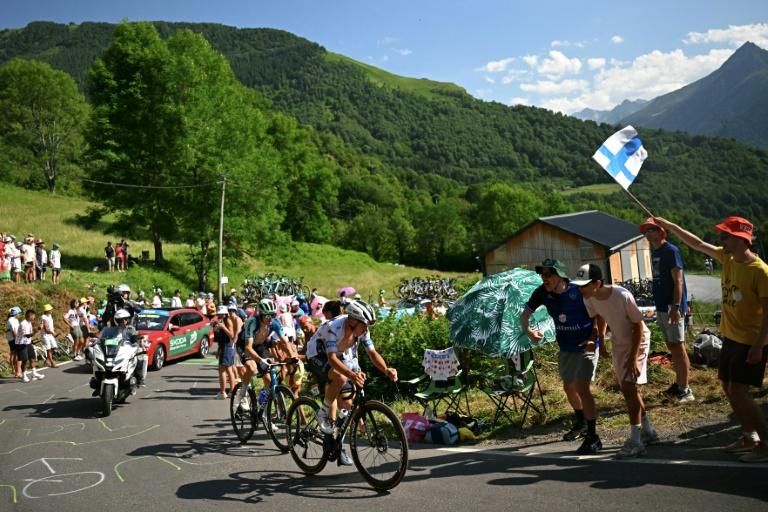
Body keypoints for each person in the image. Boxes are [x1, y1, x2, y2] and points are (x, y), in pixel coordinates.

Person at [654, 215, 768, 463]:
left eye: (725, 235)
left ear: (740, 239)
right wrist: (671, 226)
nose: (720, 239)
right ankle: (749, 437)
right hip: (730, 337)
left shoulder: (760, 271)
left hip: (750, 340)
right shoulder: (727, 257)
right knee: (729, 389)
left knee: (739, 391)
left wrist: (759, 345)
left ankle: (765, 443)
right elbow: (696, 244)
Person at [521, 259, 604, 454]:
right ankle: (581, 422)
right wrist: (529, 331)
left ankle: (593, 435)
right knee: (569, 387)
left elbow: (598, 315)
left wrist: (594, 337)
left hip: (586, 345)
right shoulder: (542, 292)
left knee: (582, 388)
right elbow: (524, 315)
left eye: (549, 274)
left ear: (560, 275)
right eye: (542, 275)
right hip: (565, 347)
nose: (545, 278)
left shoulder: (578, 290)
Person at [575, 264, 657, 459]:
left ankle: (636, 442)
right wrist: (600, 340)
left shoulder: (622, 295)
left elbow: (638, 326)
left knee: (629, 387)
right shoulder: (589, 297)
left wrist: (633, 360)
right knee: (628, 389)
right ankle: (649, 432)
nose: (580, 290)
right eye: (578, 285)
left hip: (638, 340)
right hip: (619, 343)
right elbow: (599, 316)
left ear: (597, 283)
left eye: (583, 285)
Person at [308, 300, 398, 465]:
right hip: (317, 354)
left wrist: (386, 370)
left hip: (341, 355)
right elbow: (332, 359)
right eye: (363, 325)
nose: (366, 329)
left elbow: (372, 353)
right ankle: (323, 413)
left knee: (348, 403)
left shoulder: (361, 330)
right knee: (340, 377)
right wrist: (350, 374)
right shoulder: (334, 327)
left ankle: (337, 444)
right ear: (352, 320)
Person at [640, 217, 694, 402]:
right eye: (646, 230)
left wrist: (677, 306)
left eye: (652, 230)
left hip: (673, 306)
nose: (648, 233)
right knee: (671, 346)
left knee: (678, 347)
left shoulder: (671, 251)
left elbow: (678, 280)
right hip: (662, 306)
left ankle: (686, 390)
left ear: (661, 231)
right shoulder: (655, 252)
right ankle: (679, 383)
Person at [15, 309, 45, 382]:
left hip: (28, 343)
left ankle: (34, 373)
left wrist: (36, 329)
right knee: (24, 360)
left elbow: (30, 333)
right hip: (21, 344)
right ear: (30, 316)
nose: (34, 317)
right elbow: (27, 335)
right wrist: (37, 329)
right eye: (34, 315)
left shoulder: (29, 322)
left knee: (32, 358)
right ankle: (24, 376)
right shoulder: (23, 324)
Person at [214, 306, 237, 399]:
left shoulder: (227, 321)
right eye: (218, 314)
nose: (219, 316)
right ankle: (232, 391)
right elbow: (221, 337)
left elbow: (232, 335)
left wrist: (223, 327)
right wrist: (219, 349)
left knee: (222, 370)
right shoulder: (223, 321)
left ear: (225, 314)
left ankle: (223, 392)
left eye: (220, 314)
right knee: (229, 370)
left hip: (227, 347)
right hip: (226, 347)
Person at [40, 304, 58, 368]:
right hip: (45, 335)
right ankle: (52, 362)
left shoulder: (49, 315)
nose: (51, 310)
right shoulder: (43, 317)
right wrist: (53, 333)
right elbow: (46, 328)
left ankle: (47, 360)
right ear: (47, 310)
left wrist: (52, 332)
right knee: (49, 349)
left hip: (50, 334)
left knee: (54, 347)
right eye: (50, 309)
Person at [5, 307, 22, 377]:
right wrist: (18, 340)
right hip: (13, 339)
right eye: (19, 313)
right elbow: (14, 332)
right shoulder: (12, 320)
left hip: (13, 339)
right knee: (16, 355)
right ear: (16, 313)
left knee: (14, 355)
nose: (20, 315)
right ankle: (16, 371)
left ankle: (15, 371)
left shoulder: (14, 319)